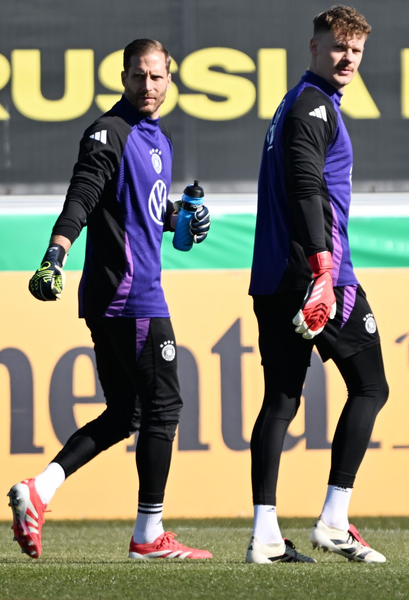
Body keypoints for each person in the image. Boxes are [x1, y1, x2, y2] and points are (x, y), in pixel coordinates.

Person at [9, 39, 212, 560]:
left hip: (119, 297)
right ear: (124, 78)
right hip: (131, 295)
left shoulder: (158, 141)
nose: (148, 86)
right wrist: (55, 254)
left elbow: (136, 207)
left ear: (170, 81)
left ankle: (40, 489)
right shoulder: (108, 132)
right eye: (139, 76)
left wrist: (176, 217)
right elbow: (83, 194)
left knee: (126, 413)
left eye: (157, 77)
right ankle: (149, 535)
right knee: (164, 409)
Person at [247, 5, 388, 564]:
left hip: (274, 275)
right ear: (313, 47)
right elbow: (308, 189)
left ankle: (264, 536)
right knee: (372, 385)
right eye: (337, 47)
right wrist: (325, 274)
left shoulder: (297, 105)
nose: (347, 57)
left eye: (355, 49)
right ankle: (333, 519)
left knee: (280, 400)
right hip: (315, 276)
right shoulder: (313, 107)